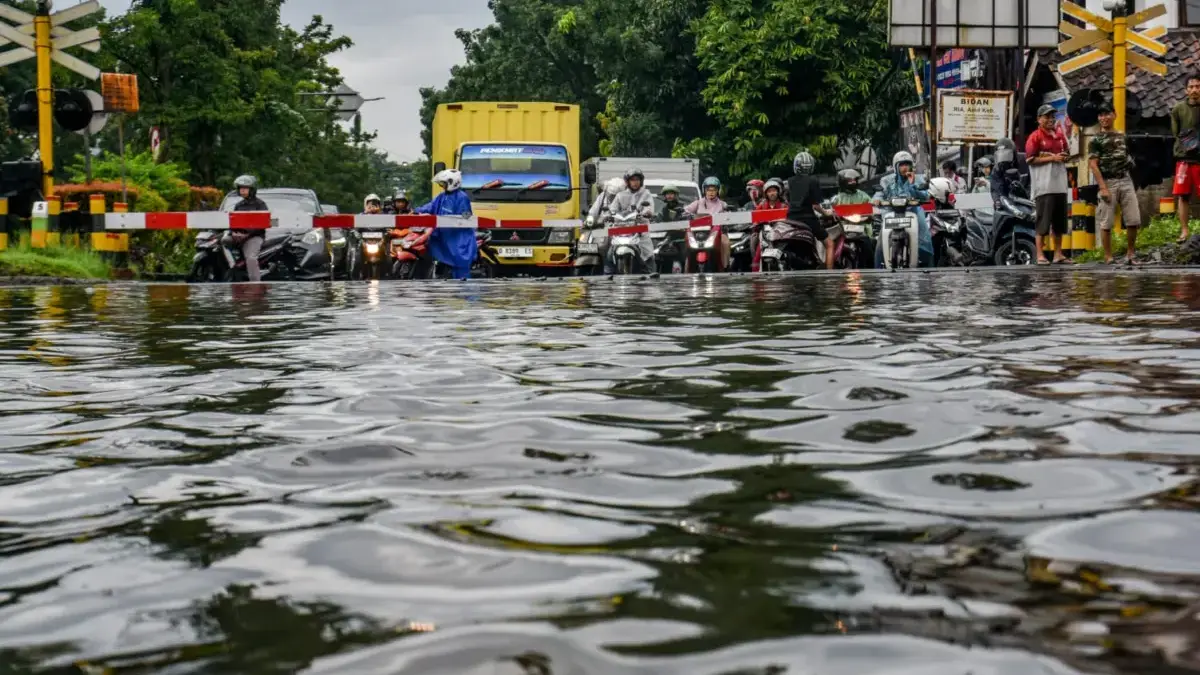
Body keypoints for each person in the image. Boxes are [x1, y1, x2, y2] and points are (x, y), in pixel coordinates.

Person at [1089, 101, 1141, 265]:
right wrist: (1103, 188)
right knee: (1106, 222)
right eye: (1101, 115)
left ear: (1114, 115)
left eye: (1107, 114)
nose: (1104, 118)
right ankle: (1108, 256)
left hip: (1125, 179)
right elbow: (1093, 165)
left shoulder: (1122, 136)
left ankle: (1130, 254)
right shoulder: (1096, 140)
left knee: (1133, 219)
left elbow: (1129, 157)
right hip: (1108, 181)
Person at [1026, 104, 1072, 264]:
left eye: (1052, 116)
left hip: (1060, 184)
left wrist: (1063, 156)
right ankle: (1040, 254)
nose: (1050, 119)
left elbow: (1066, 153)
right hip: (1044, 186)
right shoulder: (1035, 137)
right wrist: (1052, 157)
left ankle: (1058, 254)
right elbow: (1030, 159)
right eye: (1047, 116)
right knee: (1043, 222)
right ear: (1039, 119)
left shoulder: (1059, 136)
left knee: (1059, 223)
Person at [873, 151, 933, 268]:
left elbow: (925, 195)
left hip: (913, 211)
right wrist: (877, 200)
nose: (905, 167)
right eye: (901, 165)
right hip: (891, 212)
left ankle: (929, 267)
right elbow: (879, 193)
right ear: (896, 166)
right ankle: (878, 269)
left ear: (911, 166)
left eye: (907, 164)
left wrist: (912, 184)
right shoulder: (886, 180)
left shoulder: (918, 179)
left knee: (925, 238)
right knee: (881, 241)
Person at [413, 169, 476, 279]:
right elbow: (430, 206)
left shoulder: (461, 197)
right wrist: (416, 210)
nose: (442, 186)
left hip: (458, 237)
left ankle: (463, 288)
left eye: (444, 183)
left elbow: (466, 215)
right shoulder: (442, 196)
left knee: (460, 264)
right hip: (445, 236)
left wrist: (460, 219)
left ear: (453, 182)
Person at [785, 149, 834, 270]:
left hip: (790, 219)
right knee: (830, 244)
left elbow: (788, 200)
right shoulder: (813, 180)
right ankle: (830, 272)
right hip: (808, 219)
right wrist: (826, 213)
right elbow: (816, 205)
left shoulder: (789, 181)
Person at [606, 167, 656, 270]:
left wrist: (647, 212)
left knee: (647, 252)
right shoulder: (620, 195)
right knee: (610, 249)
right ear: (627, 182)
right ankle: (608, 271)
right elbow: (612, 209)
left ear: (641, 181)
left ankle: (650, 272)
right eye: (632, 180)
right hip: (621, 229)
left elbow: (649, 207)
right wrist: (608, 215)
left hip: (640, 229)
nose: (635, 182)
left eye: (637, 180)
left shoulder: (646, 194)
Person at [1171, 72, 1200, 243]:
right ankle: (1184, 230)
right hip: (1185, 159)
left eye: (1197, 86)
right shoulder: (1178, 109)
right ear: (1186, 90)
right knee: (1183, 196)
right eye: (1191, 87)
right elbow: (1175, 134)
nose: (1194, 89)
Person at [231, 174, 269, 282]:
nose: (242, 190)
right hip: (238, 236)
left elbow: (262, 224)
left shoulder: (260, 204)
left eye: (245, 188)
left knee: (251, 258)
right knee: (221, 241)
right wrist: (233, 232)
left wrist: (247, 234)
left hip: (254, 237)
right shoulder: (238, 205)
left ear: (252, 189)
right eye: (240, 188)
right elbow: (233, 222)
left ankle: (255, 284)